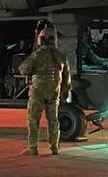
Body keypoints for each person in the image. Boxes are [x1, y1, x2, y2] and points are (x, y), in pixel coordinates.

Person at [19, 26, 71, 155]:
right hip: (54, 92)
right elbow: (67, 78)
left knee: (33, 120)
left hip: (38, 92)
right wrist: (64, 91)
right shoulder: (61, 56)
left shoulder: (37, 55)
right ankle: (54, 147)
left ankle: (32, 147)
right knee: (53, 120)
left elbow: (23, 69)